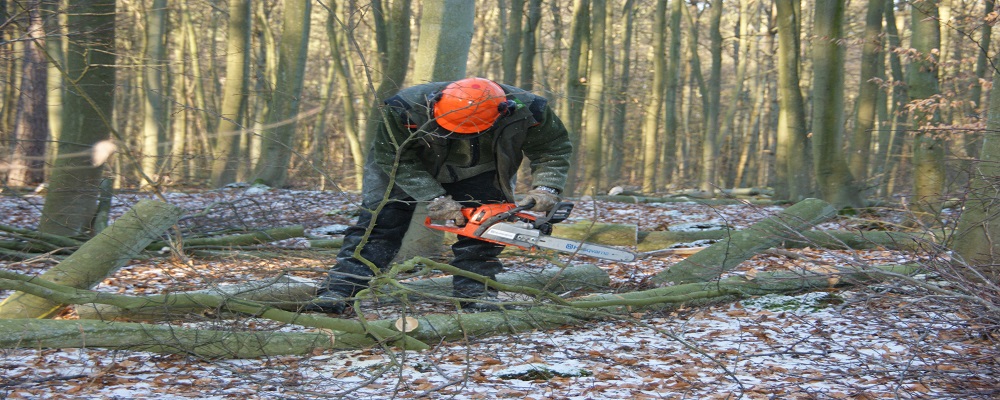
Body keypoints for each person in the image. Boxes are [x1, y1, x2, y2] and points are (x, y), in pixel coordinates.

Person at [306, 77, 573, 313]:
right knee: (379, 223)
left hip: (479, 167)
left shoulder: (531, 109)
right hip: (403, 165)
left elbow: (553, 149)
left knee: (486, 227)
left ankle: (477, 295)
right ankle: (340, 289)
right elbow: (396, 160)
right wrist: (435, 198)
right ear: (437, 104)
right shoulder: (405, 108)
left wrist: (546, 187)